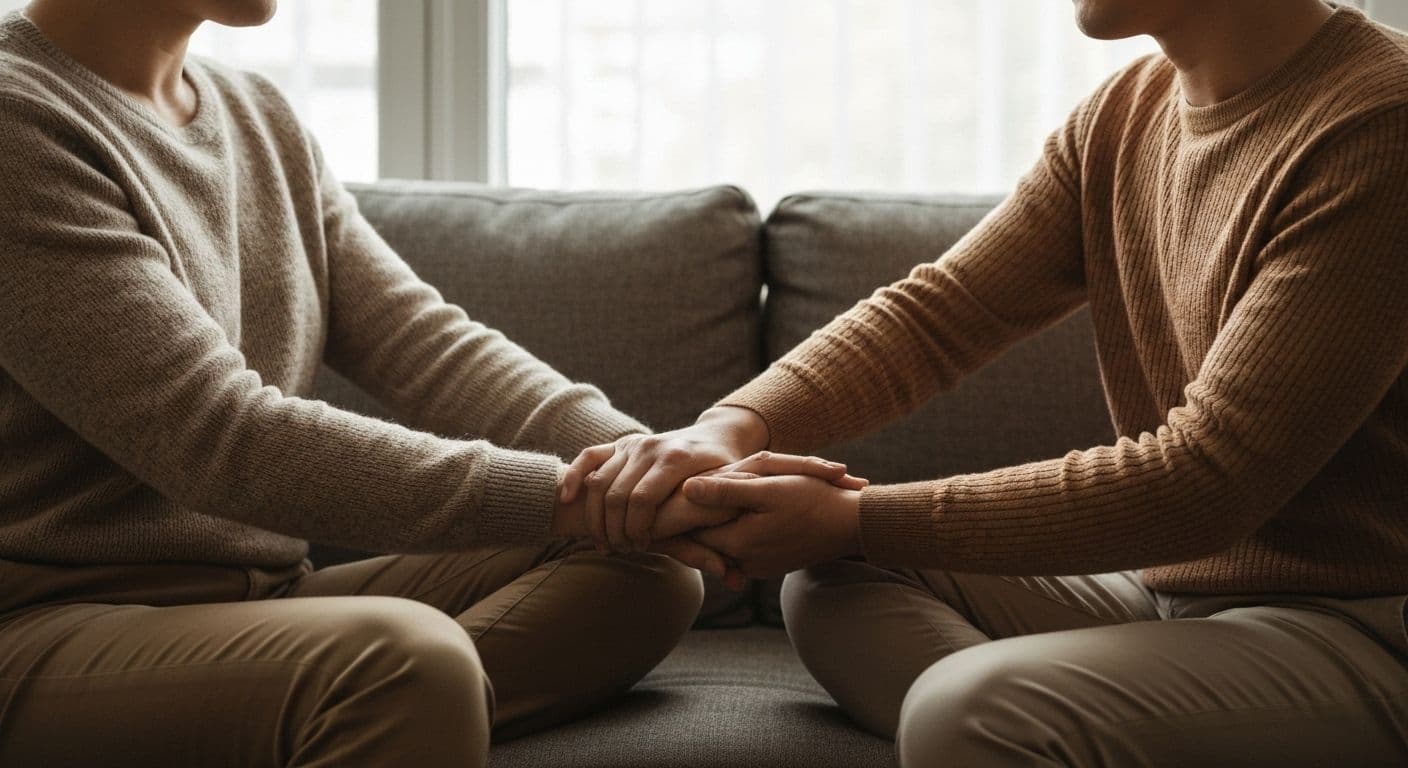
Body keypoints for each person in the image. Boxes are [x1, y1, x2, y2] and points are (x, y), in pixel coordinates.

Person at [0, 0, 865, 764]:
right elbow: (224, 440)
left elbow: (430, 347)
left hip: (263, 602)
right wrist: (575, 495)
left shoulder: (256, 113)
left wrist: (661, 472)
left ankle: (351, 719)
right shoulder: (18, 117)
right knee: (402, 662)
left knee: (642, 569)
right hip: (48, 623)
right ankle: (375, 707)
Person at [565, 1, 1408, 764]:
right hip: (1180, 596)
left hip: (1364, 623)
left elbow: (1208, 482)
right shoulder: (1125, 112)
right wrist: (732, 425)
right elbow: (940, 314)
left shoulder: (1379, 123)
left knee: (964, 709)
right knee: (834, 583)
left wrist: (857, 516)